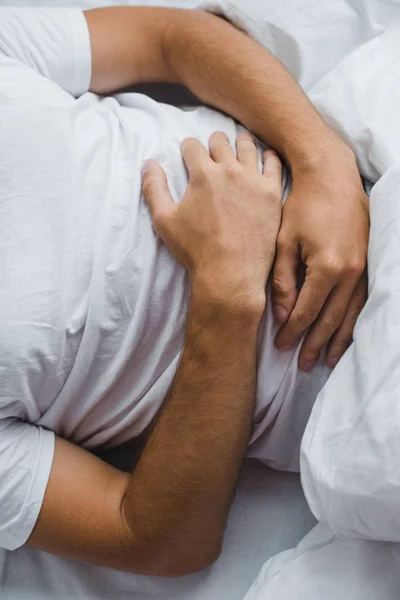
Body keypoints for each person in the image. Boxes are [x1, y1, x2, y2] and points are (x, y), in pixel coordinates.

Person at [0, 5, 369, 577]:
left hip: (364, 174)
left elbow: (170, 37)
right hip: (353, 384)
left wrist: (324, 164)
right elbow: (155, 539)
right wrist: (227, 286)